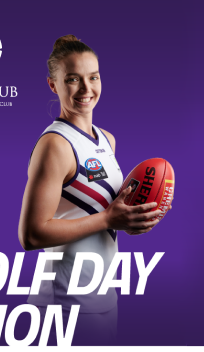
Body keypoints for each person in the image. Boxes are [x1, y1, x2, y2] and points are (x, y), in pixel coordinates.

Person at [17, 34, 165, 345]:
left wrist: (135, 219)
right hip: (63, 304)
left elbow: (100, 214)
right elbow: (31, 235)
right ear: (53, 85)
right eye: (73, 79)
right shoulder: (54, 145)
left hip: (101, 297)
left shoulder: (107, 140)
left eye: (93, 77)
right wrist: (110, 220)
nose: (86, 89)